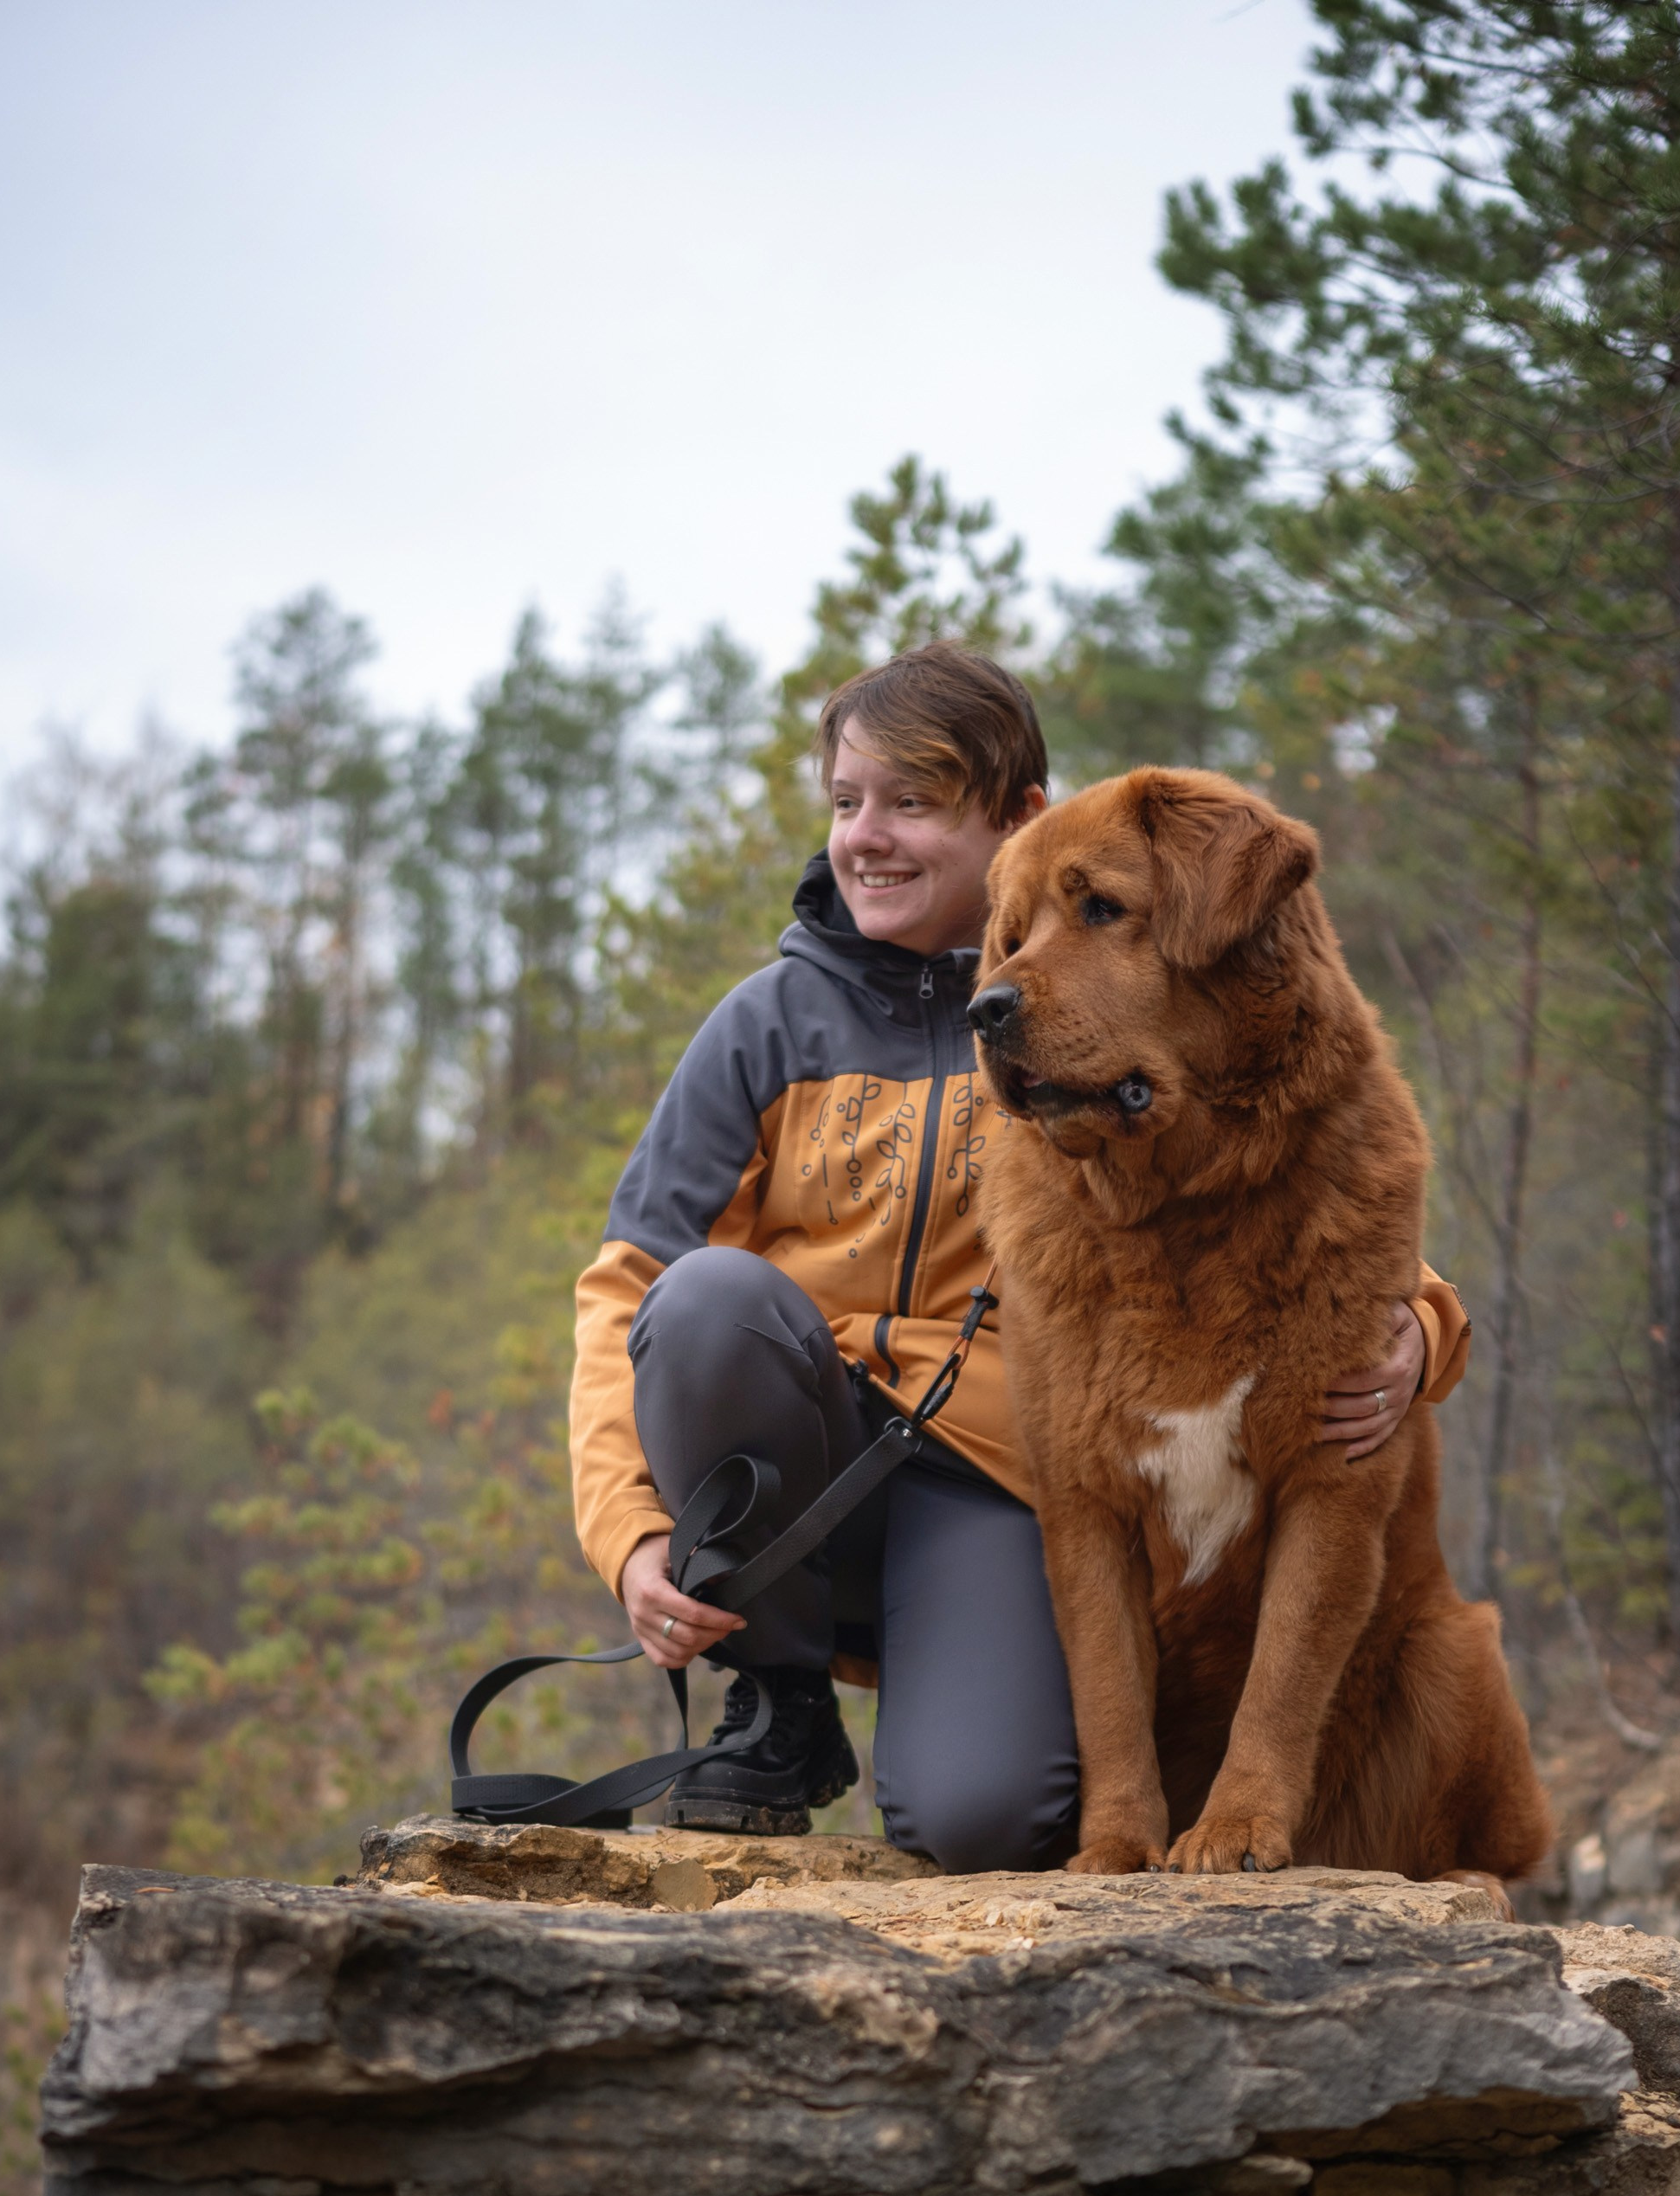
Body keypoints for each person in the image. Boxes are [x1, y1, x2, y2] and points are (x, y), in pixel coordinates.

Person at [567, 643, 1470, 1868]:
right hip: (797, 1456)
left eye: (912, 803)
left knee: (987, 1821)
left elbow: (1252, 1198)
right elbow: (626, 1281)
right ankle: (775, 1699)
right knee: (706, 1301)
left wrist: (1418, 1321)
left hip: (986, 1485)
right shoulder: (761, 1026)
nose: (866, 838)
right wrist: (625, 1524)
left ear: (1016, 817)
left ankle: (951, 1701)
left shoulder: (1104, 1012)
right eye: (845, 803)